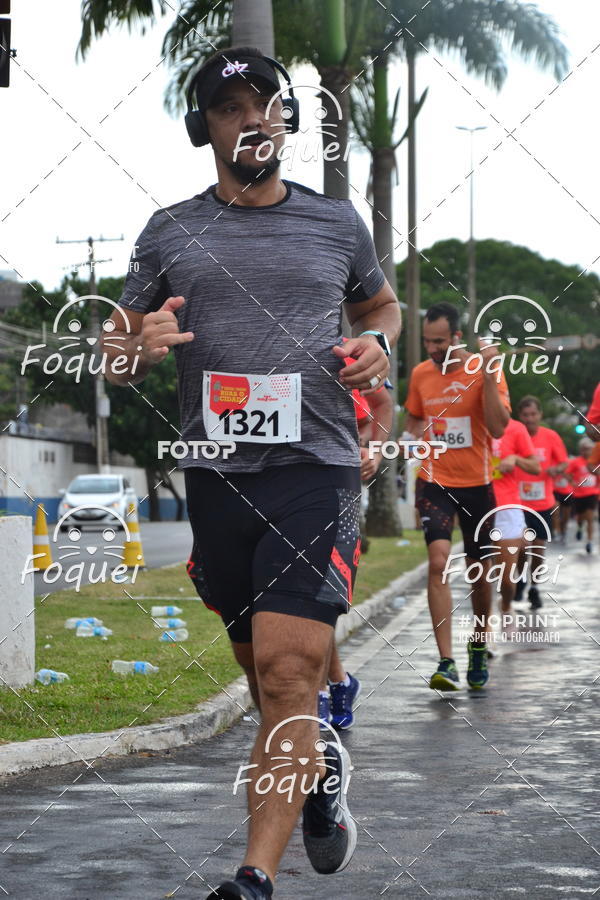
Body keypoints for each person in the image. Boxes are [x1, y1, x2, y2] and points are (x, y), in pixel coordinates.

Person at [102, 46, 401, 900]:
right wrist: (134, 347)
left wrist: (377, 342)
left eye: (265, 103)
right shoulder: (169, 231)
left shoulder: (335, 223)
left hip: (318, 465)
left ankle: (254, 879)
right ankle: (318, 764)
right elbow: (116, 348)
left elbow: (379, 302)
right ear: (207, 129)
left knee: (286, 670)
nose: (252, 119)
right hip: (217, 475)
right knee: (260, 670)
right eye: (231, 108)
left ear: (288, 120)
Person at [403, 302, 510, 691]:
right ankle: (446, 661)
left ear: (457, 338)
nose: (432, 349)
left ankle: (478, 645)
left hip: (478, 487)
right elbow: (414, 417)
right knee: (437, 561)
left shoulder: (484, 370)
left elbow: (499, 428)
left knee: (480, 575)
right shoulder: (420, 374)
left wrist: (487, 374)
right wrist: (409, 438)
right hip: (435, 481)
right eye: (427, 341)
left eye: (439, 341)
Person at [318, 369, 394, 732]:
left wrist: (372, 451)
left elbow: (381, 405)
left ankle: (319, 692)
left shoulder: (345, 353)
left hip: (338, 489)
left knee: (322, 595)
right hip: (277, 486)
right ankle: (338, 683)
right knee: (295, 596)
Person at [514, 396, 568, 609]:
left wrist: (557, 469)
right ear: (520, 416)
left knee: (537, 548)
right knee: (520, 548)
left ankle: (534, 588)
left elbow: (563, 461)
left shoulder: (551, 436)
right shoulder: (515, 435)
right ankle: (520, 579)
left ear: (540, 415)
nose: (530, 419)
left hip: (542, 502)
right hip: (517, 501)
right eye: (526, 415)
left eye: (533, 414)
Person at [490, 418, 540, 616]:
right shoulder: (468, 423)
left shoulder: (516, 428)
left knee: (507, 580)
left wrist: (515, 459)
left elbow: (536, 467)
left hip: (506, 507)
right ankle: (483, 631)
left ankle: (506, 604)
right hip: (475, 504)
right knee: (480, 576)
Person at [566, 437, 598, 554]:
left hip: (592, 494)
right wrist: (572, 482)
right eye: (584, 449)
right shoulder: (575, 462)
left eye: (589, 449)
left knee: (590, 518)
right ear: (580, 450)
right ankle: (579, 527)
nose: (586, 452)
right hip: (579, 495)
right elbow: (567, 474)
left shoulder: (595, 462)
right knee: (580, 518)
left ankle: (589, 541)